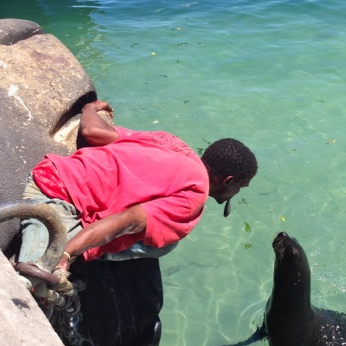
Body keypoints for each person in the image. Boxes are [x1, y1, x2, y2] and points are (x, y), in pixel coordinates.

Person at [18, 99, 258, 291]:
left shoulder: (172, 143)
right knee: (34, 279)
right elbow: (128, 221)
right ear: (228, 181)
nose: (236, 193)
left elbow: (92, 131)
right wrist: (69, 252)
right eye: (241, 186)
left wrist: (89, 107)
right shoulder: (193, 198)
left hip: (53, 171)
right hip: (56, 200)